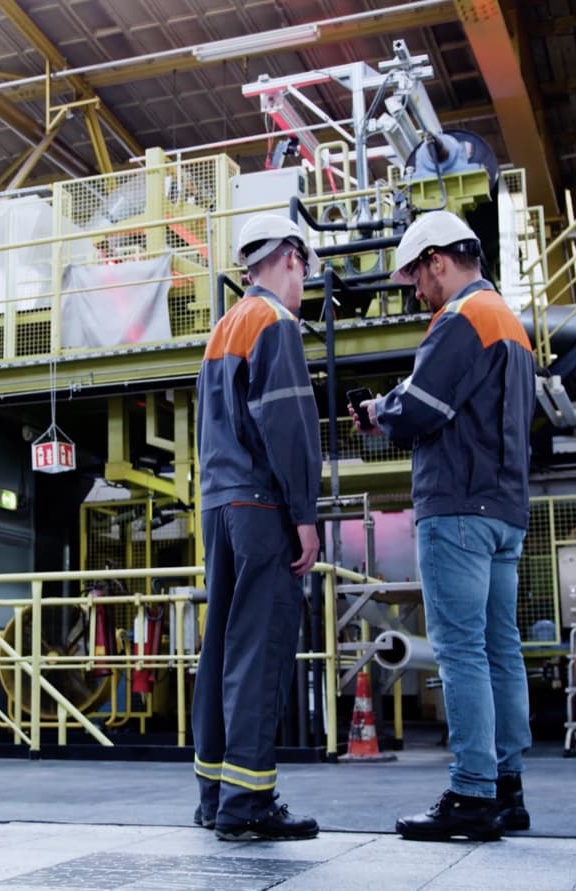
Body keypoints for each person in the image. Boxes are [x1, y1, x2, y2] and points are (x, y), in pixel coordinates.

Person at [350, 209, 536, 842]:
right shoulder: (511, 323)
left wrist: (381, 411)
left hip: (457, 509)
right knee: (499, 649)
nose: (417, 294)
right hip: (506, 511)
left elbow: (422, 408)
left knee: (460, 652)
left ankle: (471, 794)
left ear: (438, 261)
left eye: (417, 280)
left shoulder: (459, 319)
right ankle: (507, 787)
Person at [192, 213, 323, 842]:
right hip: (261, 507)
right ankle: (248, 805)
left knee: (219, 648)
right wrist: (305, 515)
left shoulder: (223, 328)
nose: (304, 286)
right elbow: (289, 427)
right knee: (259, 647)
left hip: (217, 504)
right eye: (306, 273)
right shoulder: (275, 323)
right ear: (291, 258)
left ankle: (215, 795)